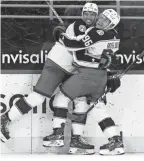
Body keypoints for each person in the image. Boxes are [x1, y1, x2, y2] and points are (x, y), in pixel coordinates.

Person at [0, 2, 99, 143]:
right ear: (82, 14)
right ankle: (5, 119)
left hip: (72, 70)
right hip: (57, 64)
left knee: (80, 100)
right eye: (86, 13)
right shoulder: (78, 26)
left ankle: (73, 138)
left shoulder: (91, 30)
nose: (89, 17)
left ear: (96, 16)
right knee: (38, 97)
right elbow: (80, 48)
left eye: (92, 14)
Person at [43, 9, 125, 155]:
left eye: (106, 20)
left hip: (87, 75)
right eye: (101, 17)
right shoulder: (115, 36)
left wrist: (62, 35)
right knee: (98, 109)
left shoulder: (96, 33)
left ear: (111, 24)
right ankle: (115, 140)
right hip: (101, 78)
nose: (100, 20)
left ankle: (58, 134)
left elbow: (73, 45)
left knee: (61, 98)